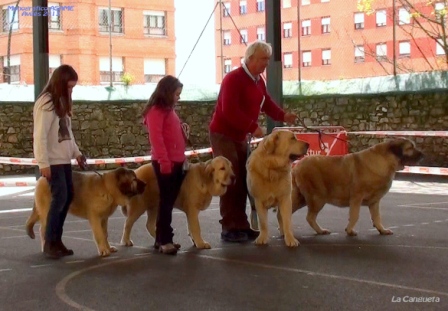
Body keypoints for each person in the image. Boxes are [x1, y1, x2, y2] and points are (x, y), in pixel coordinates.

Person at [209, 40, 298, 243]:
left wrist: (284, 116)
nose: (266, 63)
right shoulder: (233, 79)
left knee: (242, 180)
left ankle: (241, 225)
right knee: (230, 179)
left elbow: (265, 102)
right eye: (263, 59)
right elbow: (228, 110)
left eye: (267, 59)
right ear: (250, 58)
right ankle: (229, 227)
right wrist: (252, 126)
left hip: (240, 136)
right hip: (223, 134)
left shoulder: (258, 80)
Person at [33, 64, 86, 259]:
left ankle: (57, 240)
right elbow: (40, 136)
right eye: (69, 87)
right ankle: (50, 241)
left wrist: (77, 153)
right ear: (59, 84)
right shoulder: (46, 103)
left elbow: (67, 134)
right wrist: (43, 163)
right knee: (60, 198)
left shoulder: (61, 103)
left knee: (67, 197)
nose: (71, 91)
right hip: (52, 162)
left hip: (63, 160)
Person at [142, 75, 186, 255]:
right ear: (168, 93)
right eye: (177, 94)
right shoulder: (156, 112)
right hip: (166, 163)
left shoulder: (169, 111)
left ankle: (162, 238)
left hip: (176, 160)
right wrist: (164, 161)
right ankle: (165, 239)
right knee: (166, 202)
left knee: (168, 201)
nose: (179, 97)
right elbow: (156, 139)